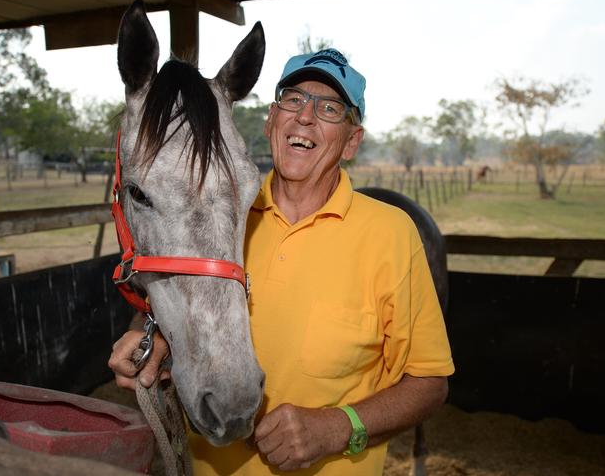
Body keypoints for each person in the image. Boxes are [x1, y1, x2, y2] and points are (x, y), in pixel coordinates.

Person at [109, 48, 454, 475]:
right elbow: (176, 280)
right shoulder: (222, 216)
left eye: (330, 108)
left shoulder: (392, 235)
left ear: (351, 142)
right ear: (271, 120)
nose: (306, 116)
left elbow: (430, 383)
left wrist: (336, 428)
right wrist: (149, 336)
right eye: (293, 99)